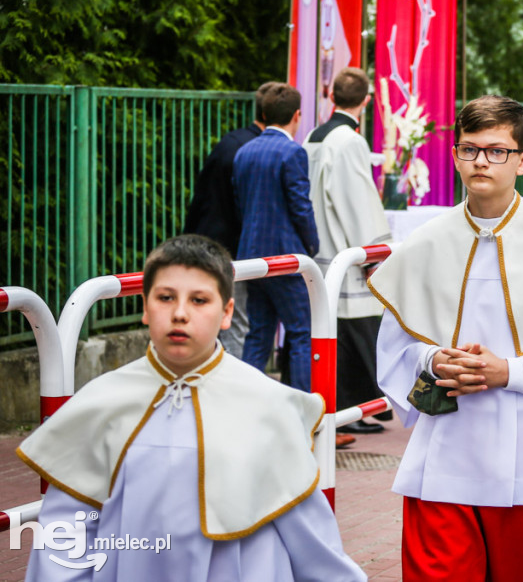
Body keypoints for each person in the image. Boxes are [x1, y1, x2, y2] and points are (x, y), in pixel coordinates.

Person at [368, 95, 523, 581]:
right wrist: (433, 360)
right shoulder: (425, 244)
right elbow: (396, 345)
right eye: (469, 149)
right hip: (449, 443)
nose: (481, 160)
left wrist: (507, 371)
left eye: (497, 150)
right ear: (455, 155)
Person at [17, 235, 366, 581]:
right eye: (166, 298)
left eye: (199, 300)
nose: (180, 314)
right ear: (145, 306)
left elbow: (311, 539)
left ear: (227, 312)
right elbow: (64, 538)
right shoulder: (98, 405)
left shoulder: (268, 406)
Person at [305, 68, 393, 435]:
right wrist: (373, 251)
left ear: (331, 97)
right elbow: (356, 201)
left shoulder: (313, 136)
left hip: (318, 248)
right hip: (344, 250)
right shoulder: (349, 141)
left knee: (333, 333)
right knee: (356, 333)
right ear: (367, 101)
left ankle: (345, 411)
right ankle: (352, 411)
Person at [233, 83, 319, 392]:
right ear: (297, 116)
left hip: (250, 256)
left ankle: (245, 405)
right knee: (302, 333)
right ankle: (304, 414)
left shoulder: (244, 151)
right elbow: (300, 206)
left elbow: (242, 204)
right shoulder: (293, 152)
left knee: (257, 334)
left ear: (265, 114)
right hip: (285, 257)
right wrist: (311, 246)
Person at [183, 81, 272, 358]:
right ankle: (233, 389)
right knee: (236, 323)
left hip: (205, 241)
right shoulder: (258, 150)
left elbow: (201, 196)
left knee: (211, 317)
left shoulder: (230, 141)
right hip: (235, 248)